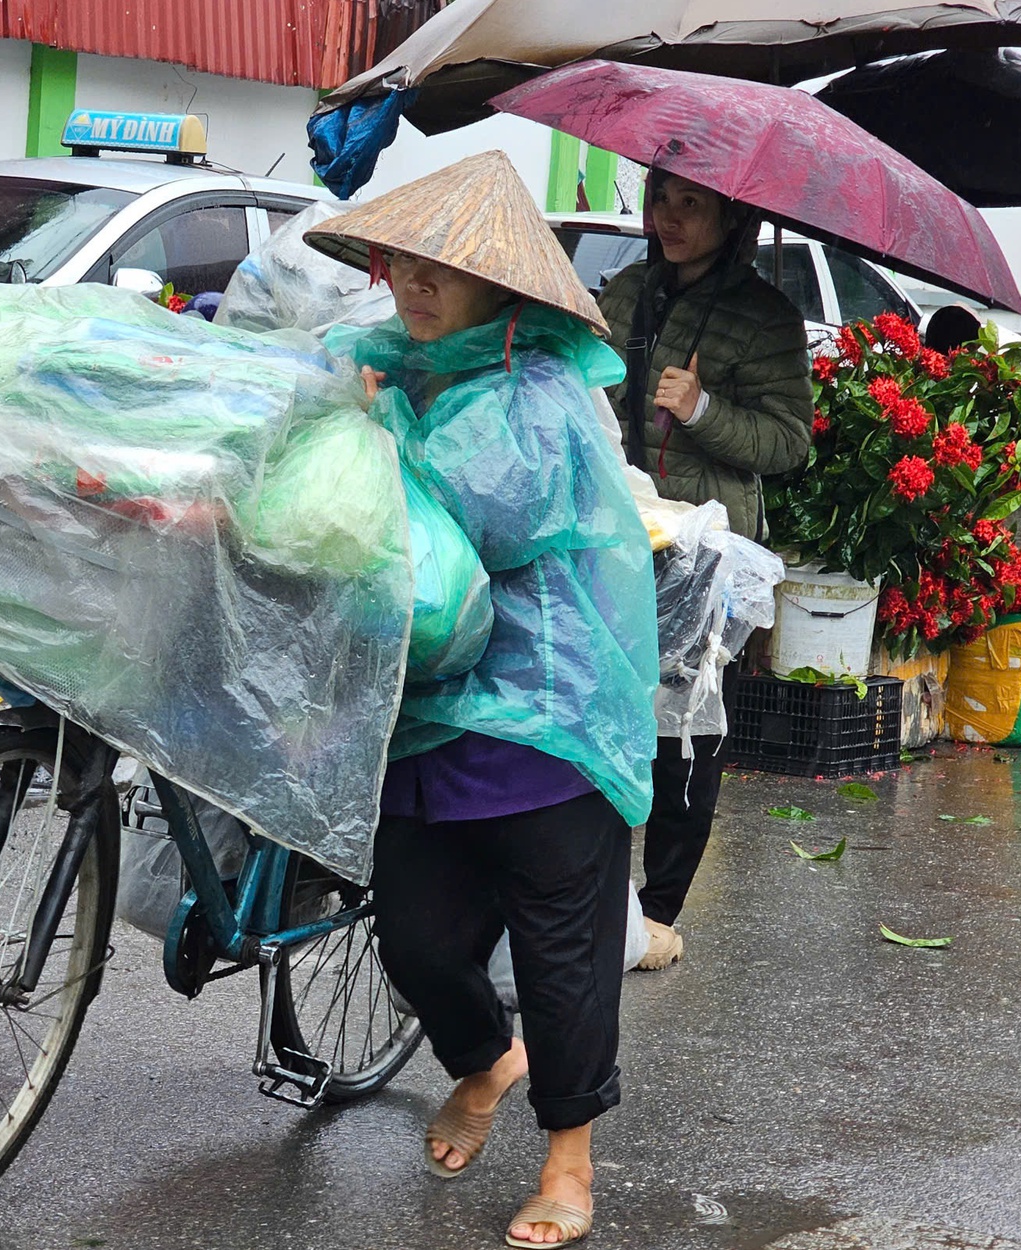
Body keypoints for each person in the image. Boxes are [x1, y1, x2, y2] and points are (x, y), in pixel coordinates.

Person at [306, 151, 658, 1249]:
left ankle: (569, 1162)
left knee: (561, 955)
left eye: (441, 271)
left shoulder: (535, 392)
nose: (412, 285)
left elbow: (479, 519)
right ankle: (481, 1056)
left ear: (500, 288)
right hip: (425, 713)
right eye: (401, 262)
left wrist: (368, 440)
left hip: (542, 715)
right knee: (412, 938)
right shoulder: (389, 367)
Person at [595, 171, 814, 971]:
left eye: (692, 204)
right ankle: (596, 896)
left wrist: (702, 411)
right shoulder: (625, 292)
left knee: (683, 732)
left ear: (731, 213)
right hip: (613, 529)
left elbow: (790, 443)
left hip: (702, 552)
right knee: (603, 714)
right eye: (661, 200)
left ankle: (658, 912)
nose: (670, 219)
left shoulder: (765, 318)